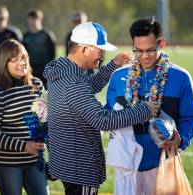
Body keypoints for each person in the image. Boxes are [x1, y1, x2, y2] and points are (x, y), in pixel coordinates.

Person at [43, 22, 160, 195]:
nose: (102, 54)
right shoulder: (73, 84)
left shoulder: (63, 73)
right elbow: (103, 120)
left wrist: (112, 65)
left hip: (68, 164)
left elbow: (86, 88)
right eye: (99, 49)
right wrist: (145, 109)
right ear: (84, 49)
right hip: (80, 169)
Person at [106, 17, 193, 195]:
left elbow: (190, 117)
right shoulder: (118, 77)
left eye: (150, 50)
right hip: (126, 167)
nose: (145, 56)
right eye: (138, 51)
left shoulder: (180, 77)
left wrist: (181, 140)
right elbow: (109, 116)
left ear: (161, 43)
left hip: (162, 164)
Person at [0, 39, 48, 195]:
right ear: (3, 63)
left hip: (35, 162)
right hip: (8, 164)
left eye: (24, 57)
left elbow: (43, 121)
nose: (22, 62)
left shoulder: (37, 85)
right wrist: (24, 146)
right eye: (15, 59)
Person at [23, 9, 56, 88]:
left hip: (45, 73)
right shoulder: (25, 36)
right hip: (31, 72)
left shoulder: (47, 35)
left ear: (40, 20)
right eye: (31, 19)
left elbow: (53, 54)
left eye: (35, 19)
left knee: (45, 96)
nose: (33, 22)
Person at [0, 5, 22, 71]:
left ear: (7, 19)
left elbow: (21, 52)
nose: (0, 21)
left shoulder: (14, 34)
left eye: (2, 18)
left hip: (11, 69)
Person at [65, 11, 94, 76]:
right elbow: (68, 53)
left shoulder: (93, 35)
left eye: (79, 21)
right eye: (75, 21)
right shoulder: (69, 36)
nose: (77, 23)